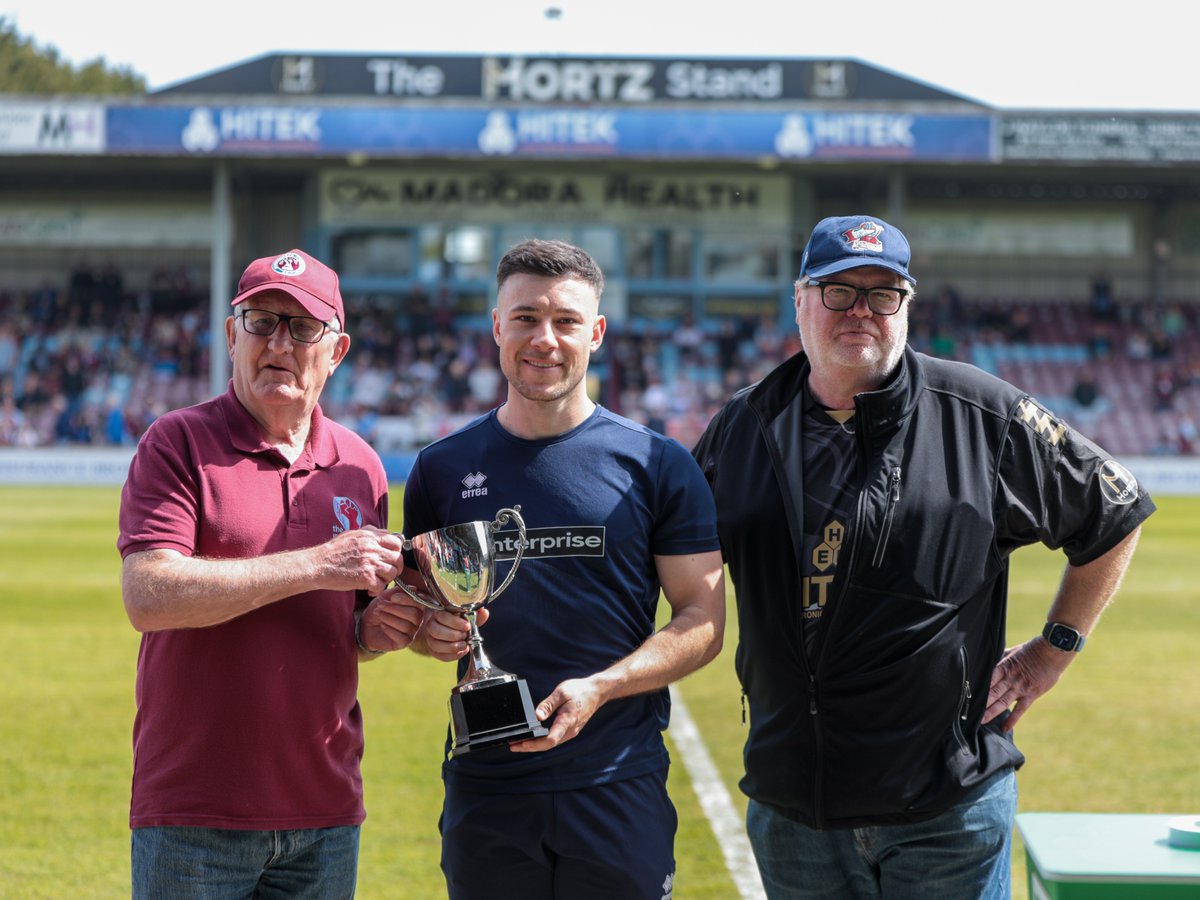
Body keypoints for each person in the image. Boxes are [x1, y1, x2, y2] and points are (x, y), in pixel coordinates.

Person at [691, 216, 1155, 899]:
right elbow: (667, 558)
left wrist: (1052, 650)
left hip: (947, 812)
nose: (861, 312)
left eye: (883, 295)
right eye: (839, 291)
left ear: (908, 305)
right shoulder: (745, 424)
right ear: (800, 299)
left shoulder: (982, 413)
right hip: (795, 812)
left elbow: (1115, 510)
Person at [400, 238, 726, 900]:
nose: (543, 339)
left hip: (615, 783)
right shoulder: (439, 470)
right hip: (486, 787)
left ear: (596, 332)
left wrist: (603, 687)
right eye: (524, 318)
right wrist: (423, 634)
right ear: (496, 326)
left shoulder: (658, 464)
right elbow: (420, 614)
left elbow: (703, 618)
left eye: (566, 321)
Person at [117, 248, 426, 898]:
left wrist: (377, 632)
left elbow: (345, 629)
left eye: (302, 327)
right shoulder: (176, 443)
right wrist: (319, 563)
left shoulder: (361, 466)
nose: (278, 343)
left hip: (325, 811)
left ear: (336, 350)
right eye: (261, 321)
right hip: (195, 811)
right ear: (232, 335)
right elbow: (149, 595)